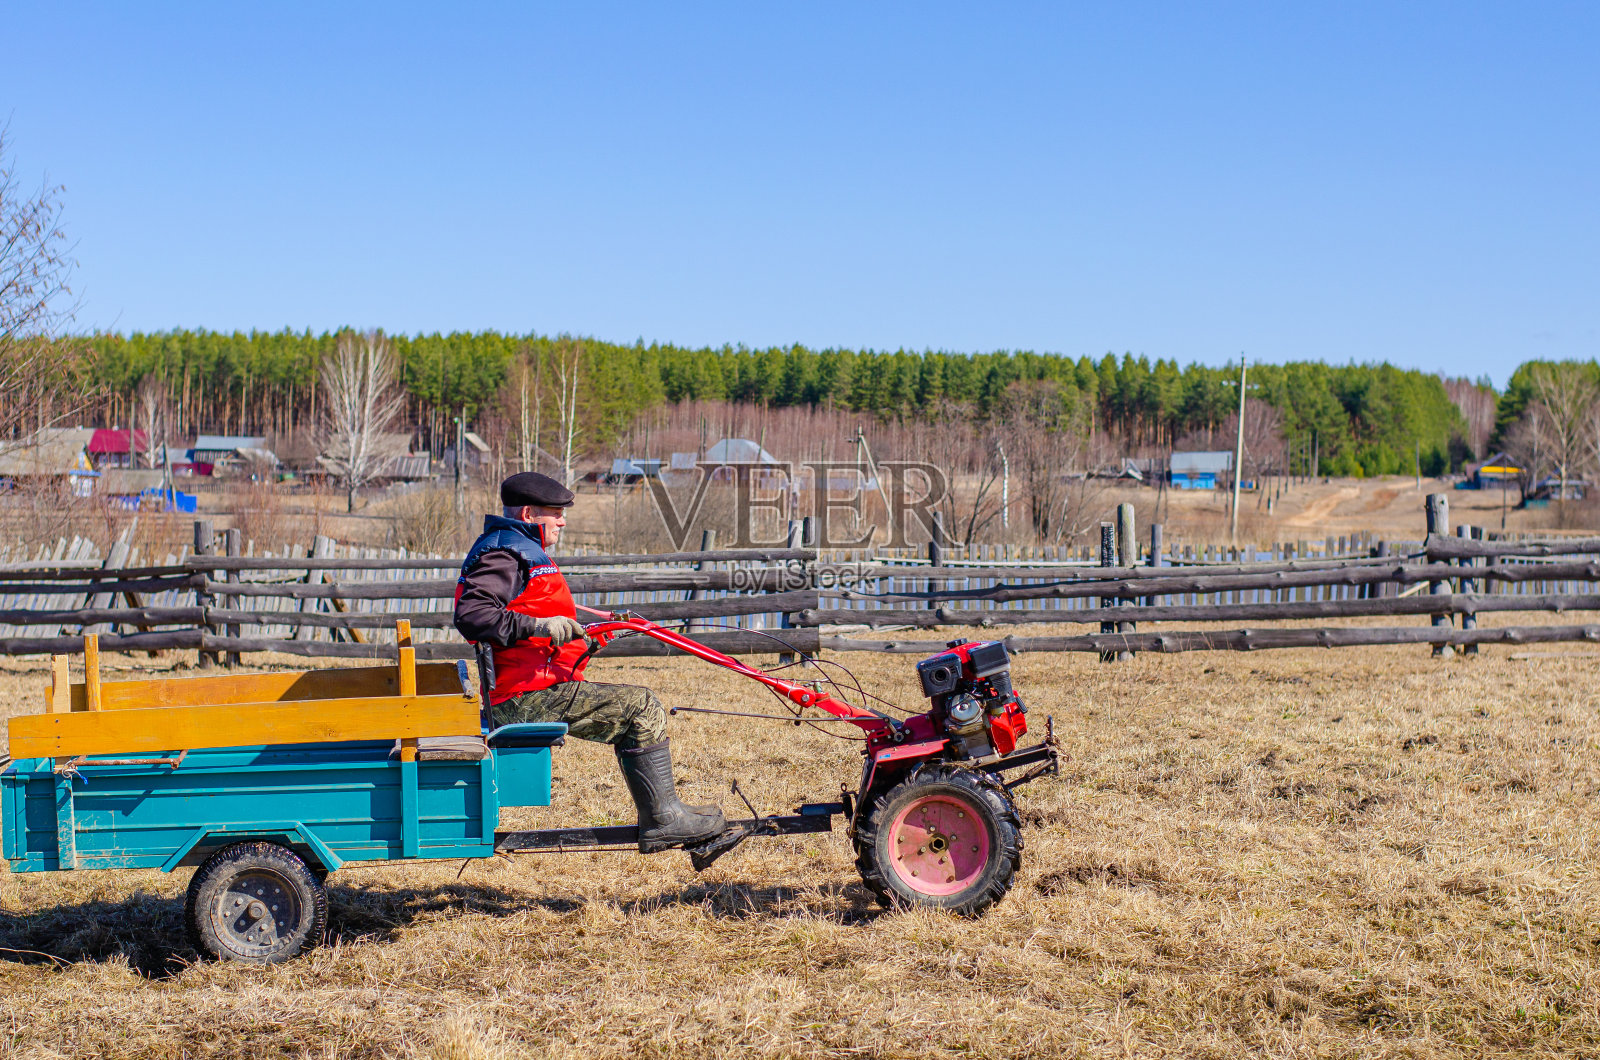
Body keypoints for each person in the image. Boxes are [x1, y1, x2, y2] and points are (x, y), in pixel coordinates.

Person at [453, 471, 725, 852]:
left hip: (532, 686)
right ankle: (663, 819)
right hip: (524, 697)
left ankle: (664, 815)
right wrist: (539, 626)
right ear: (529, 513)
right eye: (556, 512)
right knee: (642, 708)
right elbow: (472, 614)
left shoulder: (516, 548)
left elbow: (530, 616)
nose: (563, 521)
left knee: (639, 705)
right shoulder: (504, 552)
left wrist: (582, 638)